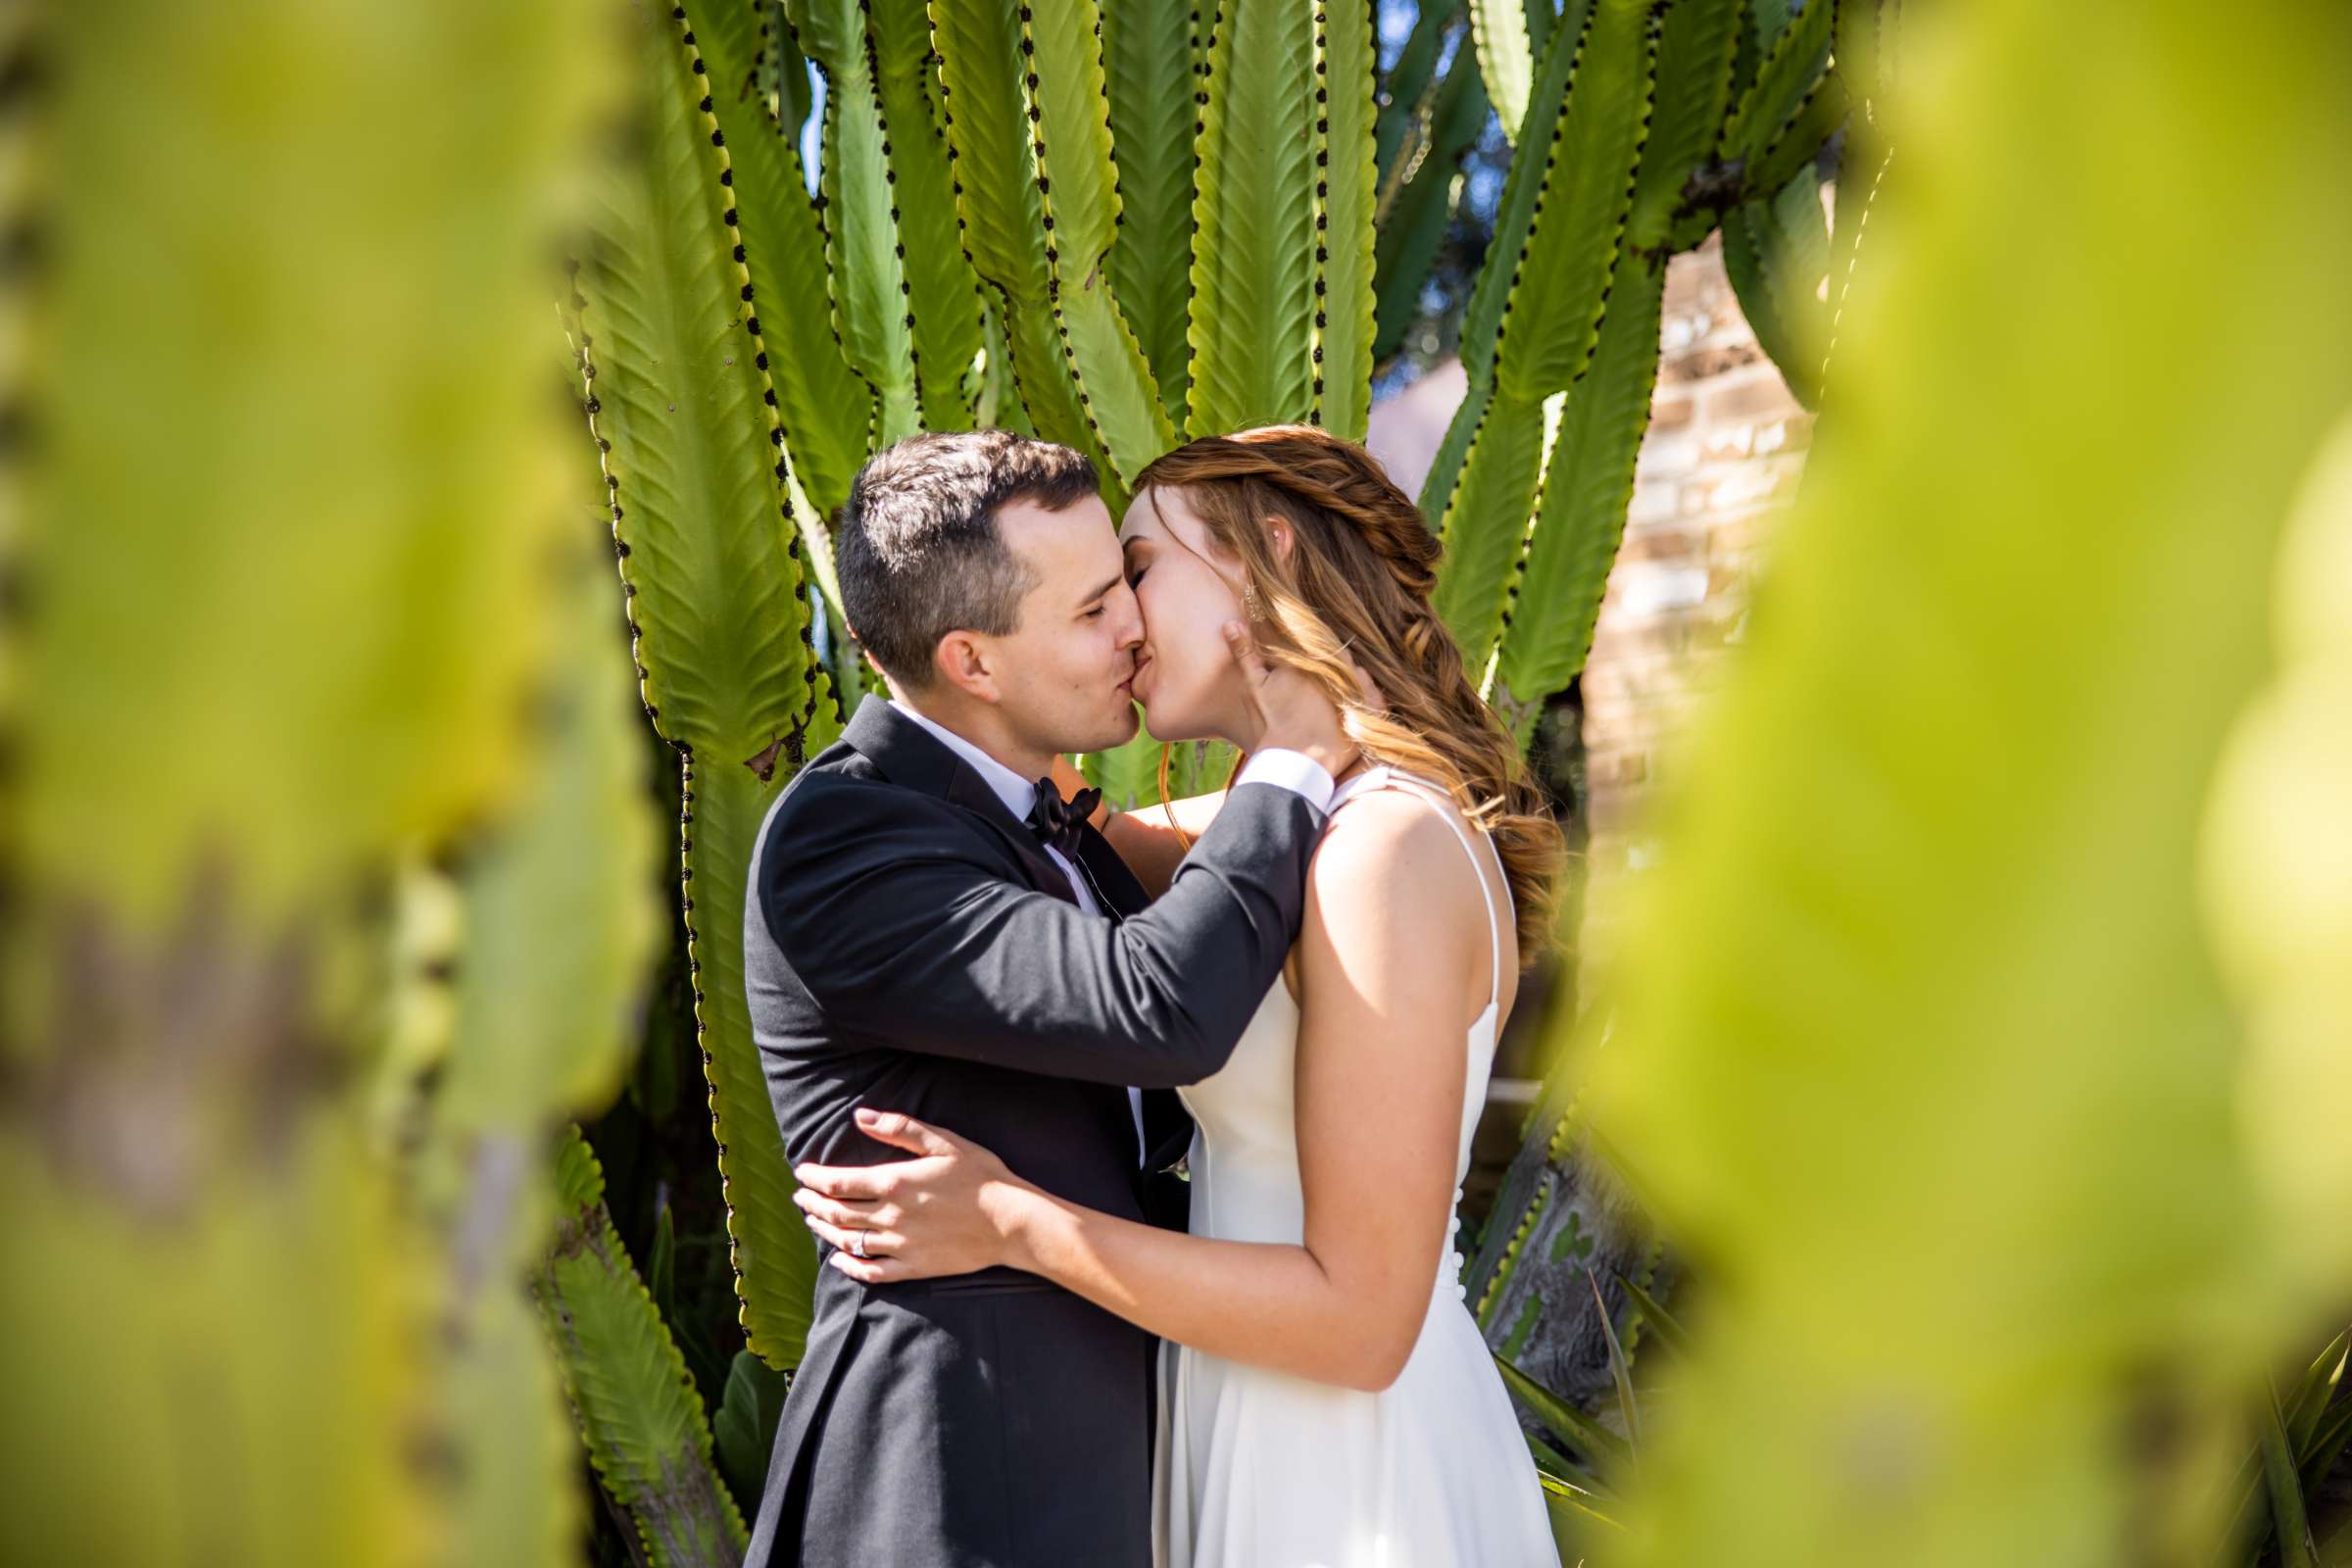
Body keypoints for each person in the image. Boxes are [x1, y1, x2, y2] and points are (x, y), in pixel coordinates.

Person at [792, 425, 1569, 1567]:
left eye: (1139, 571)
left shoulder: (1379, 848)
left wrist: (1017, 1222)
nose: (1128, 623)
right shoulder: (1302, 818)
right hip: (1236, 1417)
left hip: (1345, 1461)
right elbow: (1106, 857)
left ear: (1268, 564)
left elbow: (1362, 1319)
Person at [739, 428, 1363, 1568]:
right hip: (957, 1477)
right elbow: (1159, 1005)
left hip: (1112, 1454)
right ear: (972, 662)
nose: (1133, 624)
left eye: (1126, 583)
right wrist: (1293, 757)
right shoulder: (847, 835)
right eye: (1090, 611)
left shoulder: (1024, 812)